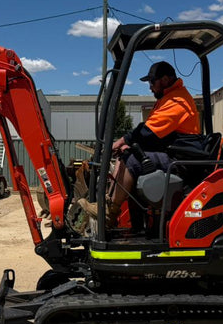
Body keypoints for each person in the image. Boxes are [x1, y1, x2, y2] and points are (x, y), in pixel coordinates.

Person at [81, 61, 200, 227]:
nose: (150, 87)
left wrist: (123, 141)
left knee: (131, 160)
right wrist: (128, 145)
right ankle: (114, 208)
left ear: (165, 79)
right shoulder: (169, 98)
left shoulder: (177, 101)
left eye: (152, 82)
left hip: (182, 159)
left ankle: (110, 213)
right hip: (174, 153)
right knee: (126, 155)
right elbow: (152, 133)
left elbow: (148, 131)